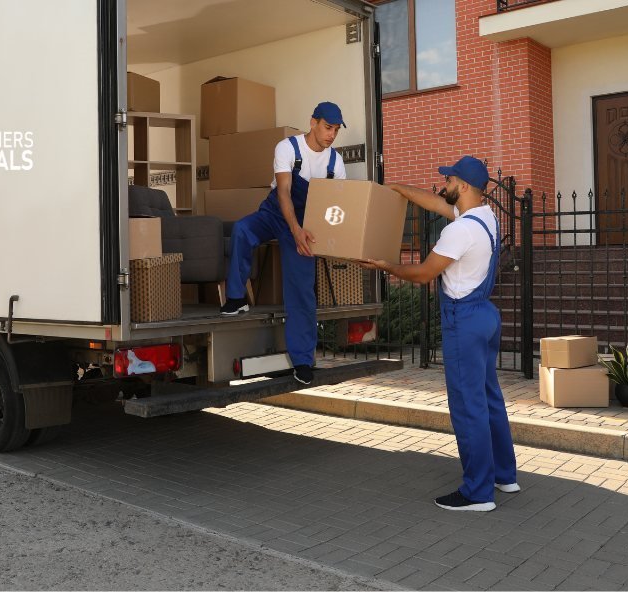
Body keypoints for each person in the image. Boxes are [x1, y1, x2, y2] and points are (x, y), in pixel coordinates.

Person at [360, 156, 518, 512]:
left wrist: (385, 266)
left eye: (448, 180)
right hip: (486, 315)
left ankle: (478, 493)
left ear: (462, 186)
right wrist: (400, 188)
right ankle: (504, 475)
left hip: (464, 319)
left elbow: (422, 274)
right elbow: (434, 202)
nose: (442, 185)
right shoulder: (485, 218)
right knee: (489, 398)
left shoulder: (459, 231)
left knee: (467, 406)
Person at [220, 102, 347, 385]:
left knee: (301, 288)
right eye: (328, 127)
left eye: (336, 130)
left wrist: (317, 236)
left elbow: (335, 204)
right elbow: (285, 192)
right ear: (313, 122)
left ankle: (302, 360)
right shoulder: (287, 148)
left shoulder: (335, 162)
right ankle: (236, 298)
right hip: (277, 211)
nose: (331, 135)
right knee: (242, 230)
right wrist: (294, 228)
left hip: (308, 221)